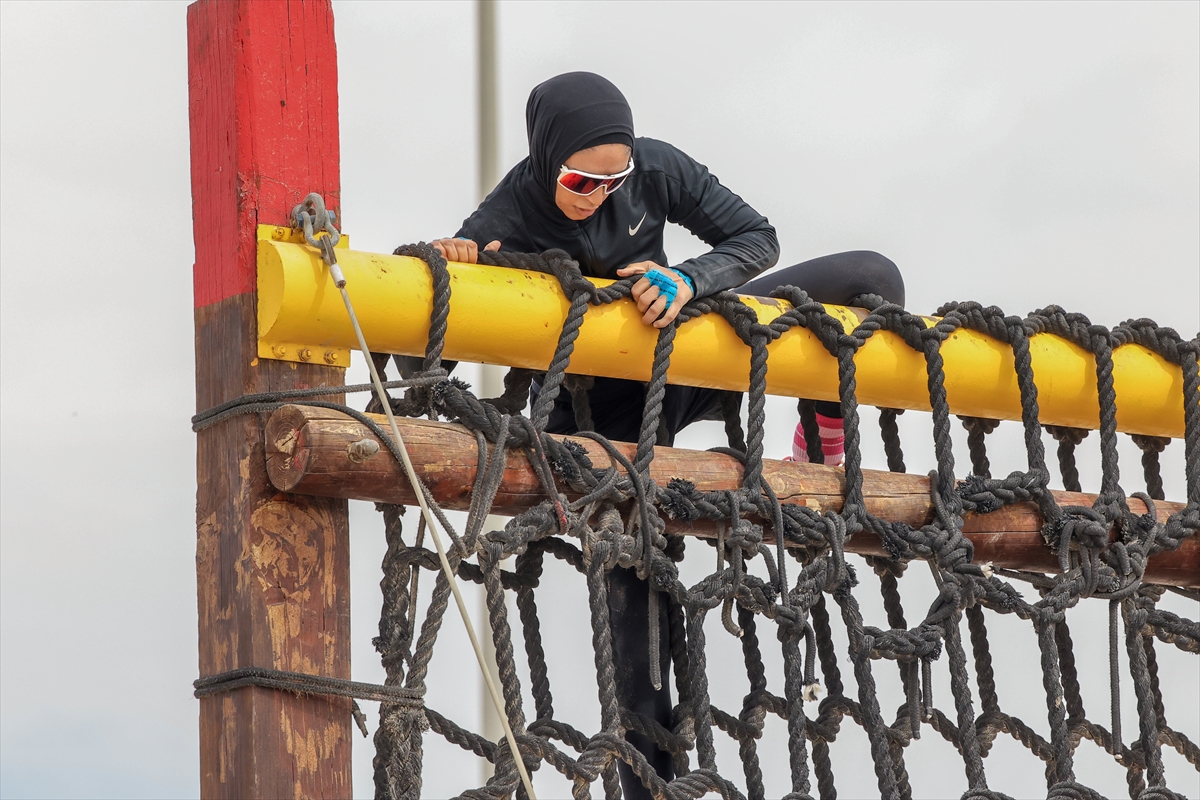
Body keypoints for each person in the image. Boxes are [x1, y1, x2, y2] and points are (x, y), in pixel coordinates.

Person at [429, 71, 903, 797]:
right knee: (643, 688)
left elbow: (757, 237)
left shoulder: (655, 167)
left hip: (677, 360)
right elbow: (429, 346)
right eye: (583, 181)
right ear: (548, 159)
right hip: (598, 429)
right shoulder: (513, 206)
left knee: (873, 277)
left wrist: (689, 279)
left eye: (615, 180)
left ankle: (820, 450)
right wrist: (455, 263)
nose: (600, 194)